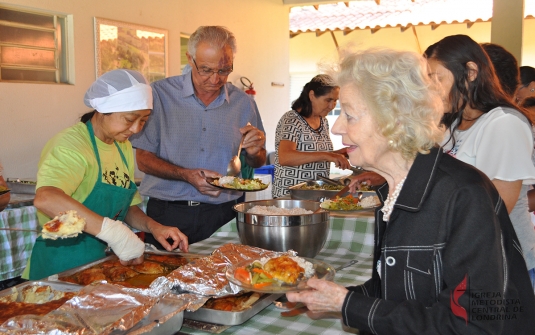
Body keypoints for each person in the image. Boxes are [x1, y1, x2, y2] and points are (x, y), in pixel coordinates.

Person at [286, 47, 535, 334]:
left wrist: (347, 305)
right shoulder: (394, 190)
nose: (337, 127)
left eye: (350, 115)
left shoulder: (463, 196)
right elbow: (399, 288)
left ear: (395, 121)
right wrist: (332, 297)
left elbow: (473, 326)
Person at [22, 69, 188, 280]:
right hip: (59, 267)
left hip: (99, 264)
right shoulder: (71, 146)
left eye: (143, 120)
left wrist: (154, 227)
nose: (136, 129)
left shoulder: (122, 146)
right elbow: (46, 198)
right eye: (129, 119)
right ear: (104, 110)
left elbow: (125, 207)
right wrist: (114, 233)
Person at [130, 26, 266, 246]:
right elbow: (143, 161)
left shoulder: (244, 103)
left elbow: (258, 161)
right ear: (190, 59)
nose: (215, 79)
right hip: (168, 214)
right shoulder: (159, 95)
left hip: (224, 215)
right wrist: (186, 175)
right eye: (205, 69)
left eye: (224, 70)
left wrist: (254, 151)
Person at [425, 35, 535, 290]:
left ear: (471, 71)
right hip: (466, 257)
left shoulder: (504, 123)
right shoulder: (453, 124)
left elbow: (497, 207)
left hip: (503, 263)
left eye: (437, 78)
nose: (431, 89)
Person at [272, 74, 350, 198]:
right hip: (291, 197)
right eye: (328, 100)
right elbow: (285, 157)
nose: (332, 105)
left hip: (315, 194)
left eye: (335, 100)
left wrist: (340, 153)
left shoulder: (323, 121)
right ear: (312, 95)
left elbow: (315, 155)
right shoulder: (292, 119)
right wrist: (328, 155)